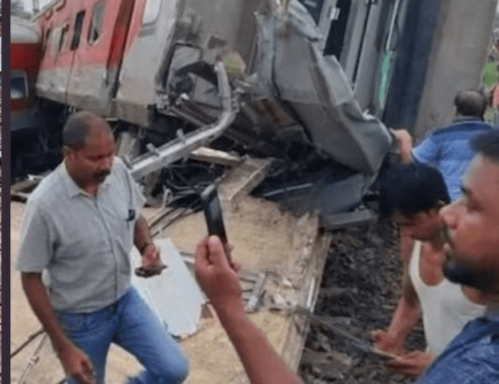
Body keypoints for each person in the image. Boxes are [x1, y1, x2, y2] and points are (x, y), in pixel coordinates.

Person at [194, 128, 499, 383]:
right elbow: (411, 299)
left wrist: (230, 310)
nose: (448, 213)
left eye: (472, 205)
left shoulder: (478, 370)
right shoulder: (483, 332)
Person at [17, 111, 189, 384]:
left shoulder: (118, 171)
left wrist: (146, 247)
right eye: (96, 158)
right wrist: (63, 348)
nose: (107, 164)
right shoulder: (44, 205)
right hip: (79, 319)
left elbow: (136, 216)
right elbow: (30, 277)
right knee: (85, 379)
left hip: (125, 301)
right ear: (69, 154)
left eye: (110, 154)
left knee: (173, 369)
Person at [371, 163, 486, 377]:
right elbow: (411, 300)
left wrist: (447, 365)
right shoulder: (414, 243)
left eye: (412, 222)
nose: (407, 232)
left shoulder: (477, 257)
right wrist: (394, 336)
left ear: (438, 208)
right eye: (401, 225)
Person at [394, 90, 492, 201]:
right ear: (483, 112)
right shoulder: (494, 138)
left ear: (456, 111)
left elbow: (412, 163)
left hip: (448, 202)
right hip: (483, 206)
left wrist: (404, 139)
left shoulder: (441, 136)